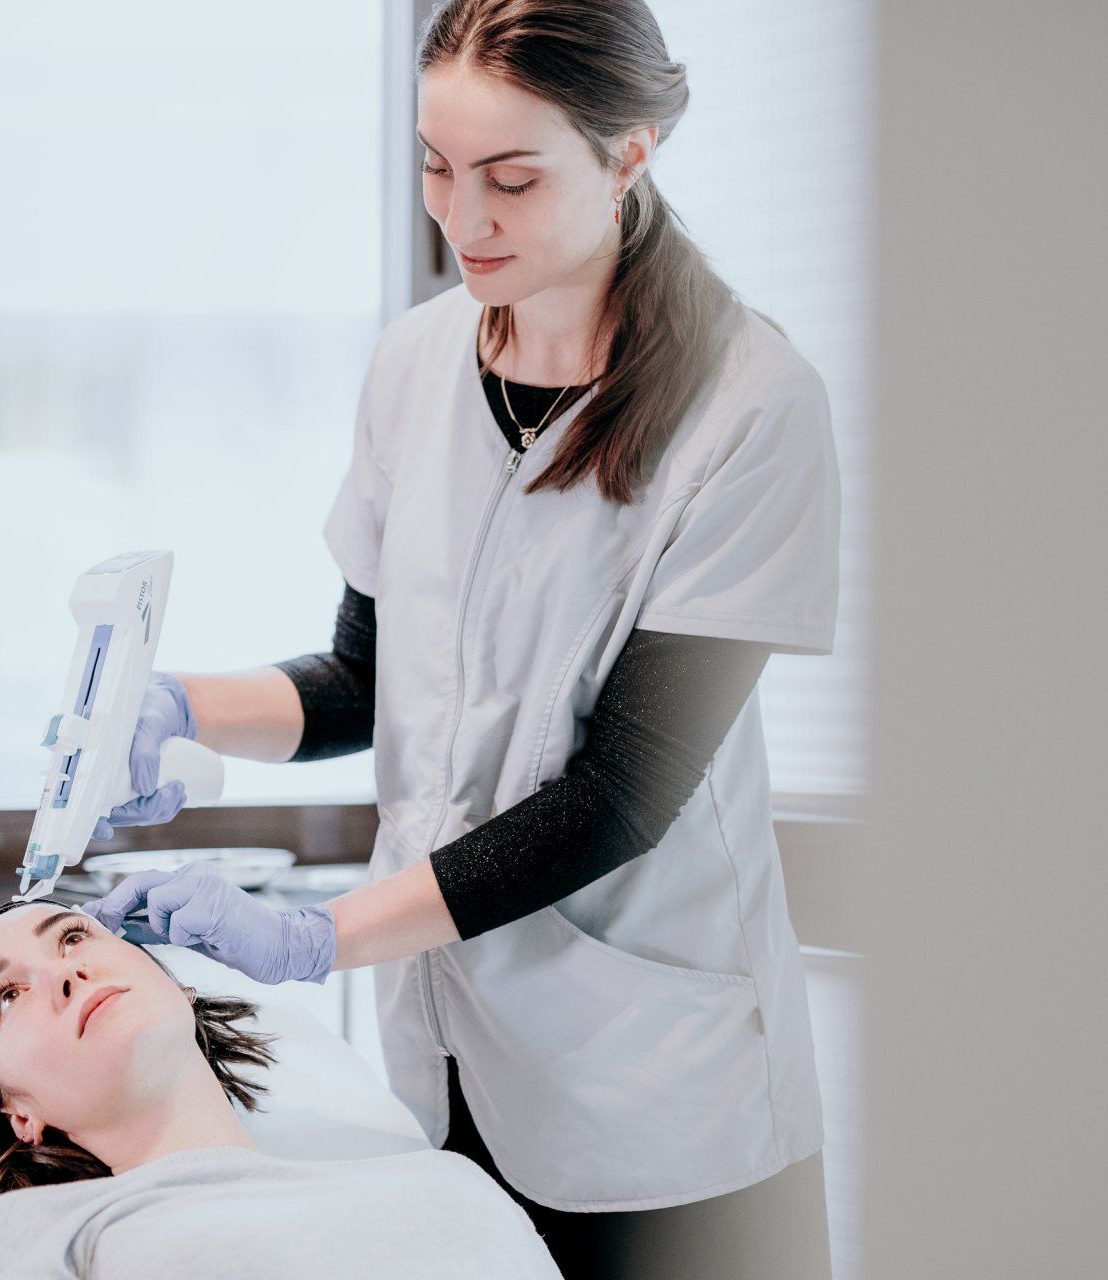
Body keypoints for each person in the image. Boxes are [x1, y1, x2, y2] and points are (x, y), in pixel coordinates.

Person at [83, 1, 840, 1274]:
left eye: (512, 179)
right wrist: (174, 706)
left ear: (629, 154)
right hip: (447, 1064)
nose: (463, 217)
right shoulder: (417, 362)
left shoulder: (750, 407)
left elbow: (619, 795)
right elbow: (368, 679)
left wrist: (319, 934)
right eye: (437, 166)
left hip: (657, 1089)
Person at [0, 897, 561, 1279]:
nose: (64, 974)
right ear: (18, 1112)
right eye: (7, 996)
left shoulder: (444, 1181)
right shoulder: (34, 1234)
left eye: (73, 937)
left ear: (178, 985)